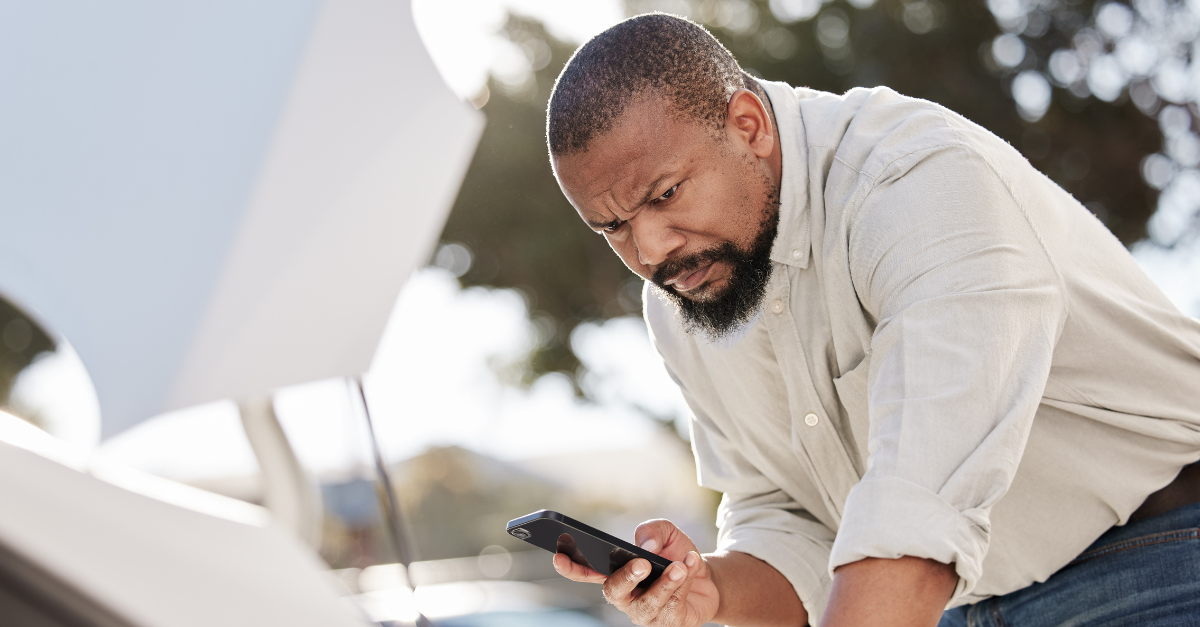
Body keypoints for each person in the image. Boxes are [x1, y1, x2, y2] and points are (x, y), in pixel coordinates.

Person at [542, 12, 1200, 627]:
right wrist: (712, 588)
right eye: (613, 226)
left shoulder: (917, 182)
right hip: (959, 603)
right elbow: (788, 517)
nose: (651, 250)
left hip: (1163, 554)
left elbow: (916, 512)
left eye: (665, 194)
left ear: (748, 125)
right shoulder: (688, 292)